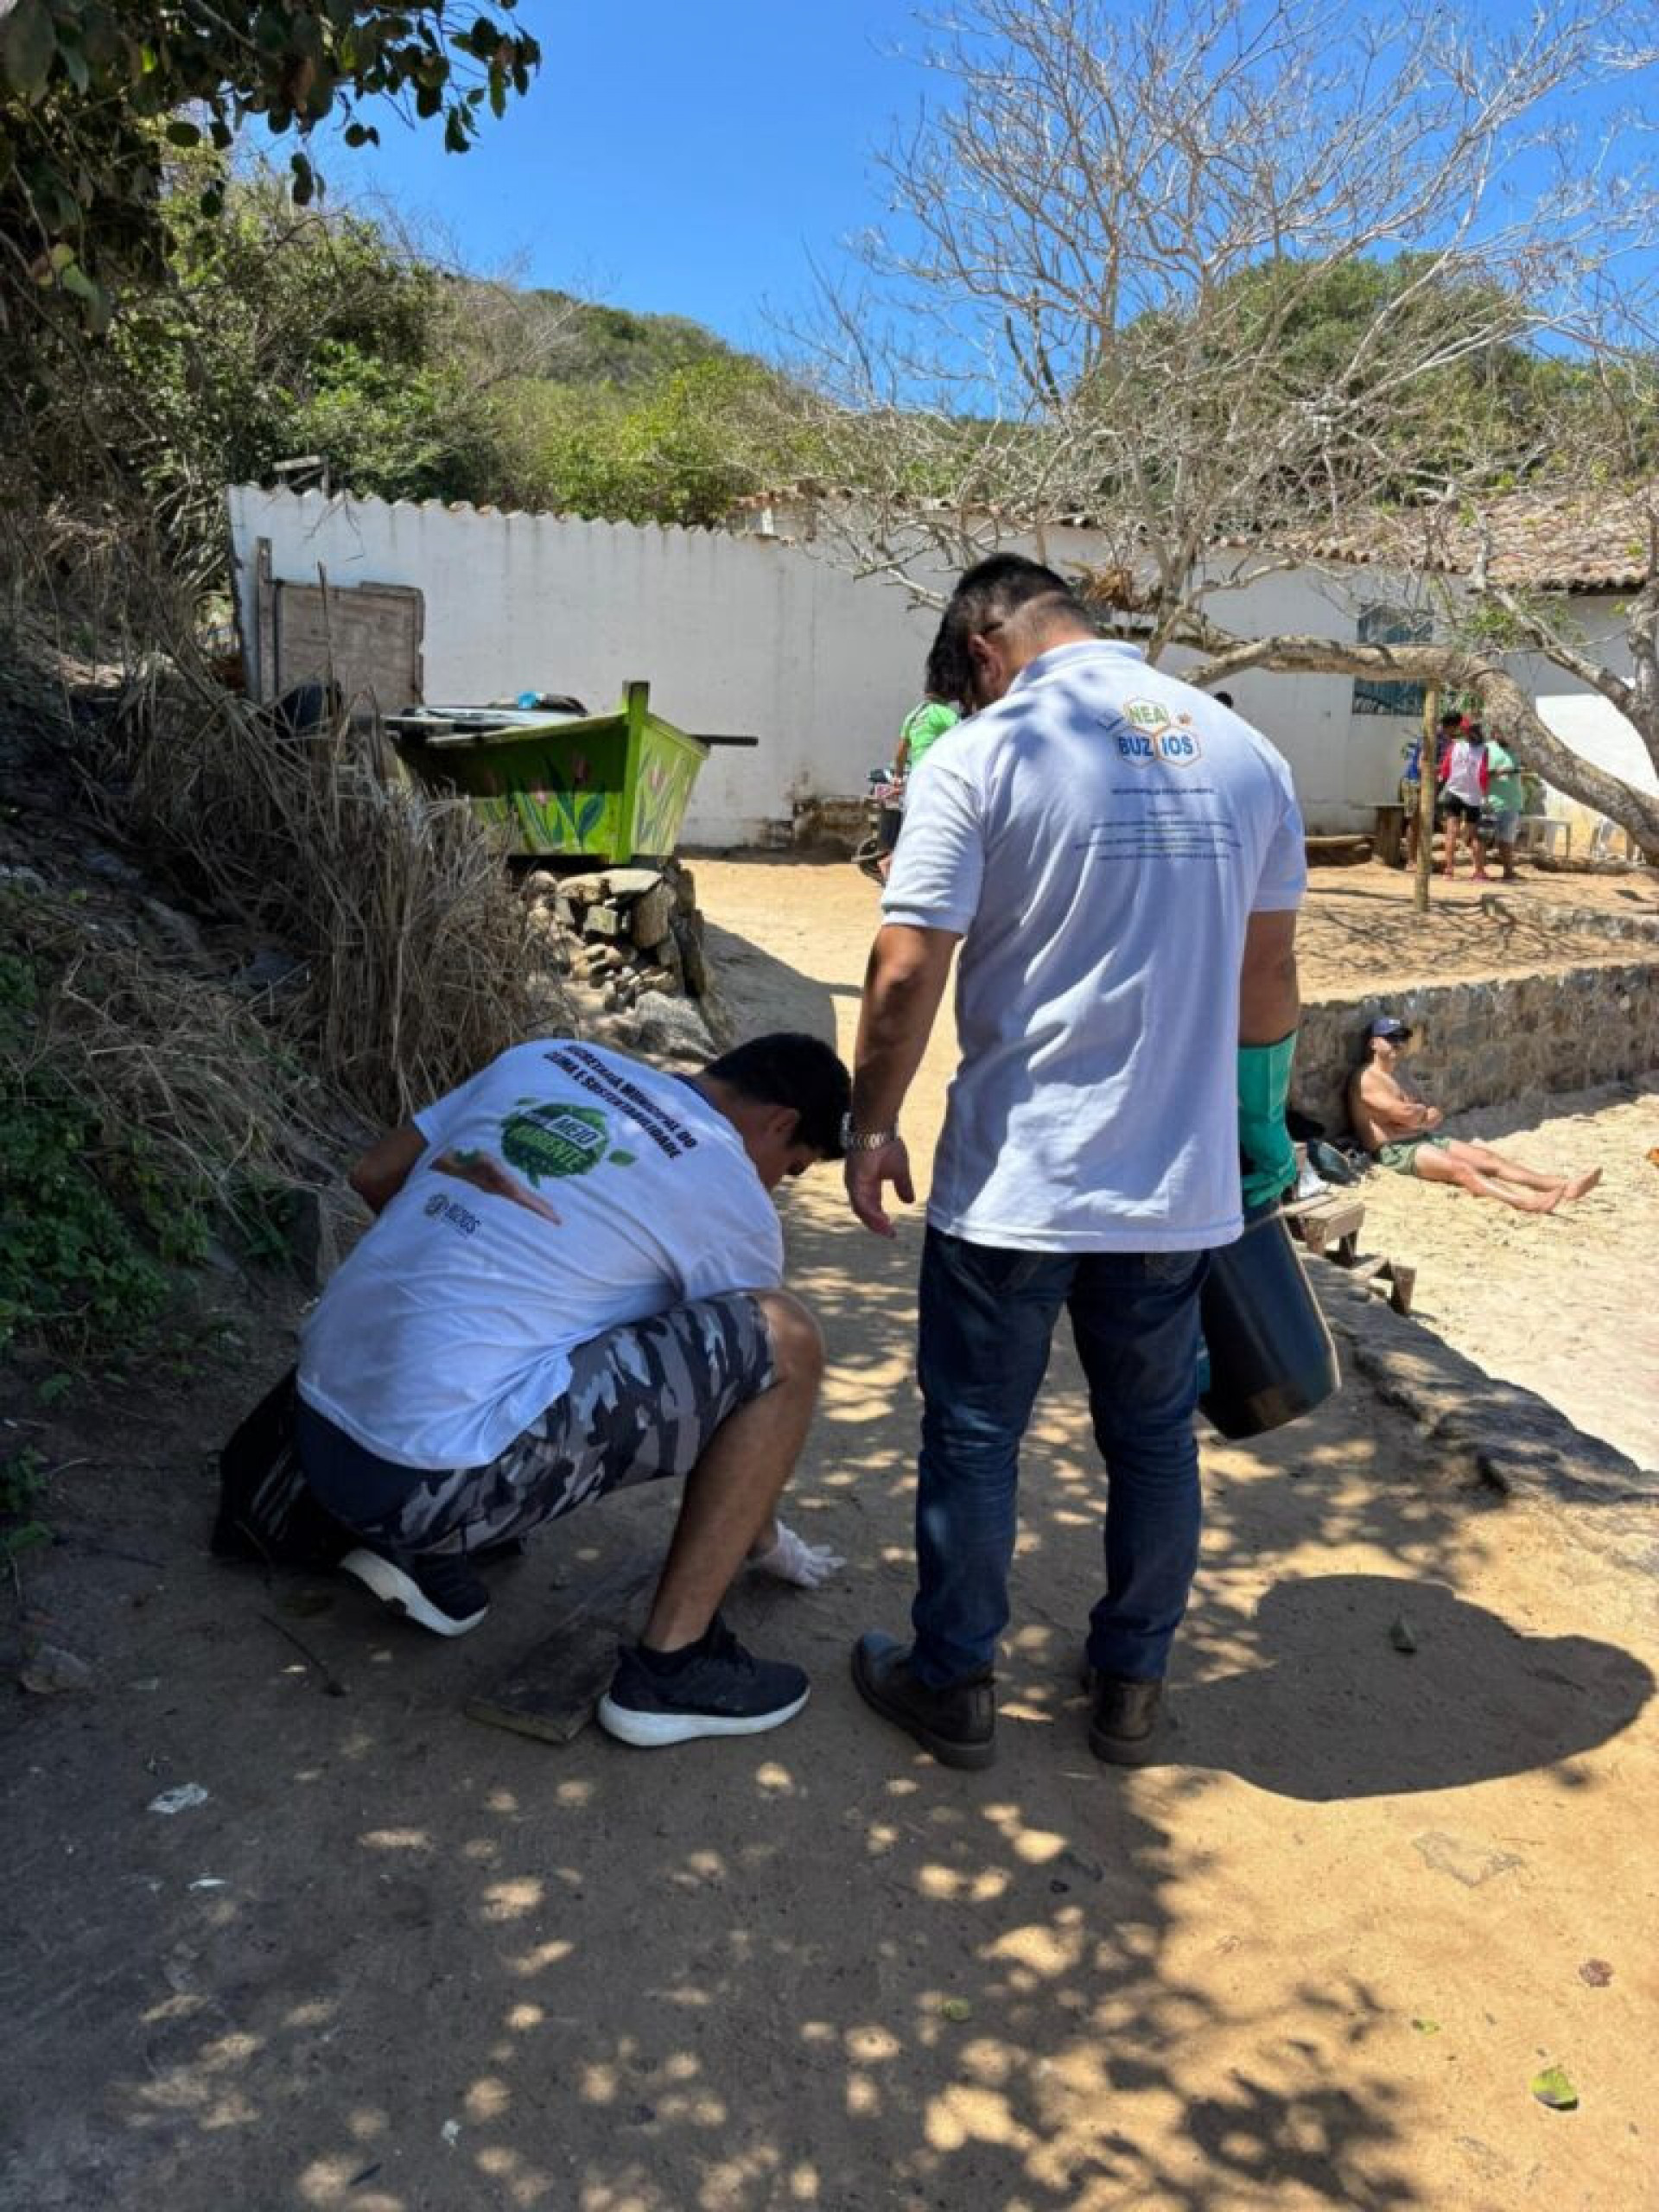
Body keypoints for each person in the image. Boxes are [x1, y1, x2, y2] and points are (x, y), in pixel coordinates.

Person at [840, 554, 1306, 1770]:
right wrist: (1259, 1129)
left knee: (978, 1434)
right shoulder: (1245, 754)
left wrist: (872, 1124)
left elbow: (903, 971)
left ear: (984, 649)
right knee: (1152, 1439)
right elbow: (1269, 987)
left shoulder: (982, 757)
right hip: (1176, 1193)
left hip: (1018, 1184)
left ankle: (953, 1682)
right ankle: (1130, 1688)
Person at [295, 1031, 852, 1747]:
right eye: (795, 1167)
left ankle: (422, 1553)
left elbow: (373, 1174)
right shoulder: (729, 1189)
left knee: (535, 1327)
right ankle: (672, 1668)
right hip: (422, 1479)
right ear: (780, 1123)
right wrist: (763, 1538)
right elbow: (750, 1378)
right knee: (788, 1336)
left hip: (314, 1429)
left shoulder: (547, 1058)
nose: (778, 1182)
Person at [1348, 1017, 1600, 1211]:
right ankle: (1526, 1202)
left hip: (1418, 1138)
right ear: (1373, 1043)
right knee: (1462, 1170)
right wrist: (1415, 1117)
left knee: (1488, 1158)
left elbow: (1434, 1112)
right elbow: (1407, 1114)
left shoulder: (1400, 1074)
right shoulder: (1367, 1078)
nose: (1399, 1044)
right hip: (1395, 1150)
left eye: (1402, 1038)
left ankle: (1562, 1186)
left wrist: (1416, 1117)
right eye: (1391, 1038)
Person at [1402, 709, 1462, 869]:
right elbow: (1422, 765)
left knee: (1425, 822)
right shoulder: (1431, 737)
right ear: (1453, 726)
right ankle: (1411, 860)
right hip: (1416, 782)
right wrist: (1443, 768)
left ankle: (1421, 859)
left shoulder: (1449, 742)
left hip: (1431, 785)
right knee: (1415, 821)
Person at [1437, 718, 1491, 879]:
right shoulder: (1483, 749)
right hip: (1473, 796)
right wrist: (1485, 794)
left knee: (1451, 832)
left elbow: (1445, 769)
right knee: (1475, 834)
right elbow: (1483, 775)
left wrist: (1443, 779)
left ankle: (1449, 869)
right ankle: (1479, 871)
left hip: (1453, 792)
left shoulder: (1455, 745)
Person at [1484, 730, 1525, 880]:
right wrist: (1499, 772)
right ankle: (1480, 872)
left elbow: (1524, 768)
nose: (1504, 735)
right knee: (1483, 838)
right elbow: (1480, 772)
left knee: (1507, 840)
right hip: (1491, 802)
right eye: (1501, 732)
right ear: (1494, 733)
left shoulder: (1517, 749)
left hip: (1512, 802)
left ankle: (1509, 871)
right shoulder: (1487, 749)